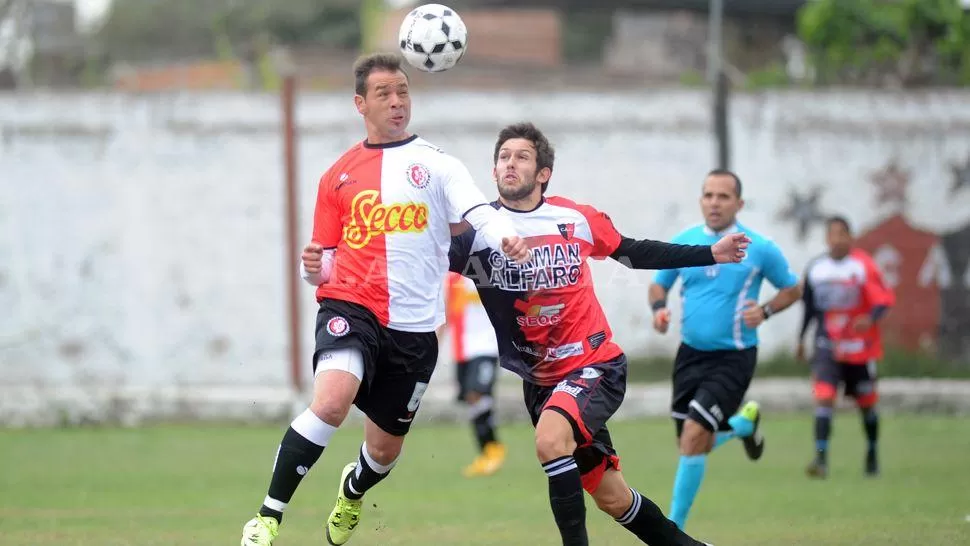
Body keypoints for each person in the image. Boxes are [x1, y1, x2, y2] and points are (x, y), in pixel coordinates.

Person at [240, 53, 531, 546]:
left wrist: (505, 235)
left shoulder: (438, 165)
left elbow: (480, 212)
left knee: (383, 452)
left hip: (415, 329)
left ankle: (351, 492)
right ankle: (267, 518)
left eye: (403, 92)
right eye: (384, 94)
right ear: (361, 104)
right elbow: (324, 263)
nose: (397, 102)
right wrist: (313, 269)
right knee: (331, 403)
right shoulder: (338, 176)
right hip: (350, 305)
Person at [449, 122, 750, 546]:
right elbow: (413, 263)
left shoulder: (574, 218)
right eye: (503, 157)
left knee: (550, 440)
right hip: (542, 383)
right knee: (612, 497)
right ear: (493, 170)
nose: (509, 164)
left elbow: (632, 251)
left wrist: (708, 253)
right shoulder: (476, 234)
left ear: (543, 173)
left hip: (595, 365)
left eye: (521, 156)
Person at [648, 169, 802, 530]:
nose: (714, 203)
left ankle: (674, 530)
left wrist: (765, 310)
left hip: (733, 357)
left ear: (739, 203)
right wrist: (659, 311)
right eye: (708, 195)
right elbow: (658, 286)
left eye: (723, 196)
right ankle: (742, 426)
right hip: (689, 355)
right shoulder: (685, 242)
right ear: (701, 200)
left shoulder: (760, 248)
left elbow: (793, 289)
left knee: (693, 438)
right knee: (693, 444)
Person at [797, 215, 894, 479]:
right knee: (825, 396)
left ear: (851, 237)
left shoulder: (863, 266)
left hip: (859, 347)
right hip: (827, 344)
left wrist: (869, 318)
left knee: (866, 403)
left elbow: (884, 300)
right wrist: (801, 339)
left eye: (843, 234)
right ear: (826, 239)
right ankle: (821, 459)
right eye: (832, 234)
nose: (837, 239)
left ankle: (872, 453)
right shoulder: (816, 268)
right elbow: (809, 308)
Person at [443, 270, 506, 477]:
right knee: (473, 400)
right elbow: (446, 312)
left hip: (486, 347)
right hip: (463, 350)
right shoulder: (452, 278)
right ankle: (486, 452)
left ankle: (493, 448)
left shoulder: (485, 272)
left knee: (476, 394)